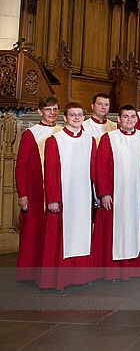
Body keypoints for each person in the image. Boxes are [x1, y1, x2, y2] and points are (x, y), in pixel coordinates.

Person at [93, 105, 140, 281]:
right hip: (115, 193)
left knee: (138, 228)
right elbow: (101, 168)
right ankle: (113, 272)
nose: (129, 120)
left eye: (132, 117)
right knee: (116, 230)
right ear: (119, 119)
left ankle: (138, 269)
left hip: (137, 193)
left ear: (137, 119)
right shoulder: (109, 138)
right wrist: (104, 193)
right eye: (126, 116)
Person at [38, 103, 96, 291]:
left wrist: (97, 194)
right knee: (61, 237)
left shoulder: (90, 139)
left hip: (83, 196)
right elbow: (51, 172)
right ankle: (59, 280)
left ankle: (81, 276)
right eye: (72, 115)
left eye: (79, 114)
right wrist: (52, 198)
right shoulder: (55, 140)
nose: (77, 118)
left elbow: (94, 170)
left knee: (82, 234)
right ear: (65, 118)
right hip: (63, 197)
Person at [15, 96, 61, 281]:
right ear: (40, 111)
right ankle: (30, 274)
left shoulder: (63, 131)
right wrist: (23, 194)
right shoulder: (31, 133)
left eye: (55, 109)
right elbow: (21, 167)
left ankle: (50, 271)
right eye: (48, 109)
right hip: (35, 191)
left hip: (55, 189)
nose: (52, 113)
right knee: (34, 231)